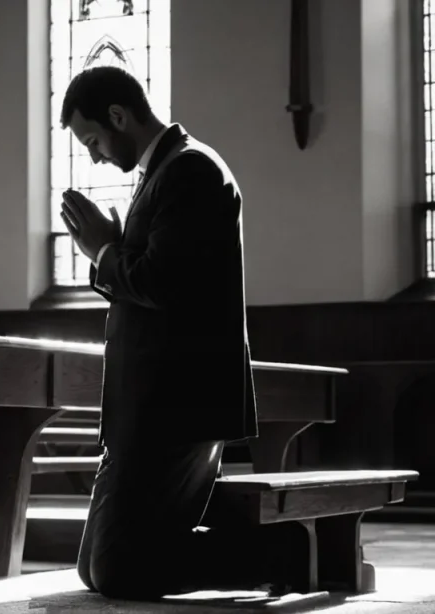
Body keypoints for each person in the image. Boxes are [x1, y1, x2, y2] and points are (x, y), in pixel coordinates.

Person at [58, 65, 268, 599]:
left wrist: (104, 251)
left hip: (175, 406)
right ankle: (246, 551)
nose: (95, 154)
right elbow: (157, 284)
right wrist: (111, 251)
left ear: (118, 116)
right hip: (150, 407)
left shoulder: (189, 170)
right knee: (94, 570)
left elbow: (162, 284)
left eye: (93, 139)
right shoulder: (165, 173)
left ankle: (277, 552)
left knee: (116, 571)